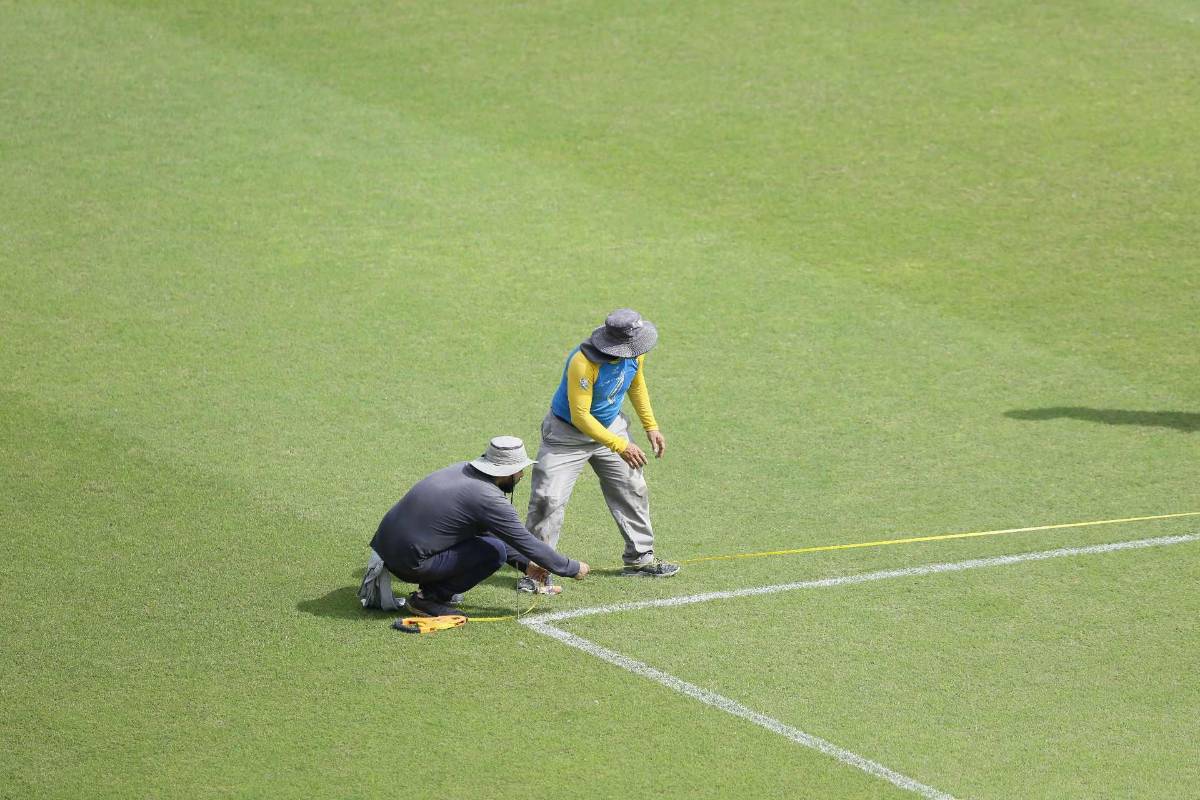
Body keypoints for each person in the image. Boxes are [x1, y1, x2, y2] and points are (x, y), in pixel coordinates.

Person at [521, 308, 679, 592]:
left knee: (632, 487)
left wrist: (651, 426)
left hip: (611, 427)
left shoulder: (634, 353)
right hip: (566, 436)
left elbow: (636, 383)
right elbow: (581, 416)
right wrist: (621, 445)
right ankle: (536, 571)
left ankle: (639, 558)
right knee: (548, 499)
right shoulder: (583, 363)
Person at [359, 436, 589, 617]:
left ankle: (430, 590)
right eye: (519, 470)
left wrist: (525, 566)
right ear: (507, 473)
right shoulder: (487, 497)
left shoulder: (461, 470)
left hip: (386, 551)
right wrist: (571, 567)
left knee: (488, 542)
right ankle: (428, 599)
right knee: (493, 552)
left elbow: (489, 531)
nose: (521, 475)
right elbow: (524, 541)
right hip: (408, 563)